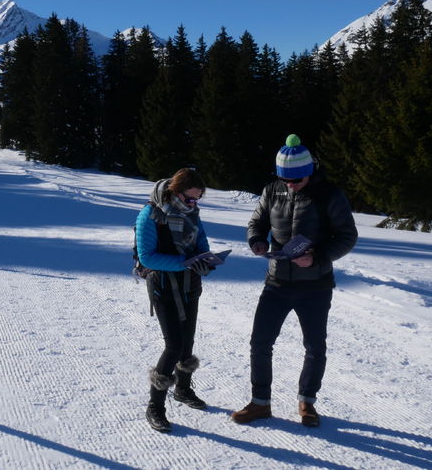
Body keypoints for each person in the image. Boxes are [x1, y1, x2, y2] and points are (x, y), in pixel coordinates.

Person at [231, 134, 357, 428]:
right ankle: (260, 404)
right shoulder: (272, 190)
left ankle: (307, 403)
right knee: (260, 343)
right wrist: (257, 241)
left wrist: (318, 258)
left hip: (315, 286)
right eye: (286, 179)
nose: (291, 185)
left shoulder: (330, 195)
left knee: (314, 347)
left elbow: (347, 236)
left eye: (297, 180)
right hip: (276, 283)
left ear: (310, 171)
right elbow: (257, 223)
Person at [135, 167, 215, 433]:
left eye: (197, 199)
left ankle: (182, 389)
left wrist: (205, 259)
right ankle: (155, 406)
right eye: (190, 198)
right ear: (175, 192)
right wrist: (185, 263)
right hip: (164, 288)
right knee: (174, 345)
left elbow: (201, 241)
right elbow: (147, 257)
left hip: (190, 286)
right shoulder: (151, 214)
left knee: (188, 343)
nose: (194, 204)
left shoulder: (192, 213)